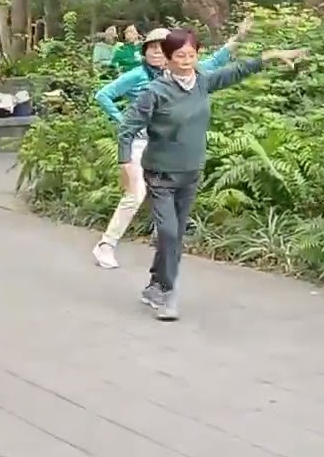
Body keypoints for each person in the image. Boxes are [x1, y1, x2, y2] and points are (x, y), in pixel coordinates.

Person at [117, 28, 306, 321]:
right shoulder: (155, 93)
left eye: (192, 55)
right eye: (180, 56)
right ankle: (167, 292)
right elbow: (127, 130)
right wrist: (125, 166)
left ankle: (155, 283)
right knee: (167, 232)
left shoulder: (202, 81)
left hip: (190, 172)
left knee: (175, 236)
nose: (186, 61)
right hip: (160, 174)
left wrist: (271, 56)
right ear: (167, 59)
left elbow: (237, 70)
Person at [91, 17, 253, 270]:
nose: (156, 52)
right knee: (135, 195)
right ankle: (106, 245)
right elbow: (103, 94)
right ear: (144, 51)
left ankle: (162, 249)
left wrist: (240, 37)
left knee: (169, 196)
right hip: (139, 143)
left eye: (161, 47)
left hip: (167, 147)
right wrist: (124, 120)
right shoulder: (137, 75)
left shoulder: (184, 72)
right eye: (151, 47)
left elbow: (216, 61)